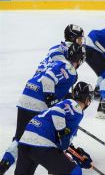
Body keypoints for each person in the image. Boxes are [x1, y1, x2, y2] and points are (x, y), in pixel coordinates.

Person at [0, 43, 86, 175]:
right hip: (38, 101)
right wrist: (50, 96)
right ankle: (56, 166)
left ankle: (3, 165)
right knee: (44, 133)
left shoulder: (56, 62)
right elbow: (48, 79)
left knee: (21, 138)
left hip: (26, 96)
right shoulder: (70, 69)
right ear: (80, 60)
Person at [14, 81, 94, 175]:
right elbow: (57, 112)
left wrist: (77, 155)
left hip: (25, 141)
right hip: (41, 143)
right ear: (87, 98)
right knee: (74, 172)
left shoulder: (65, 104)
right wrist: (63, 133)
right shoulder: (75, 107)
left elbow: (62, 142)